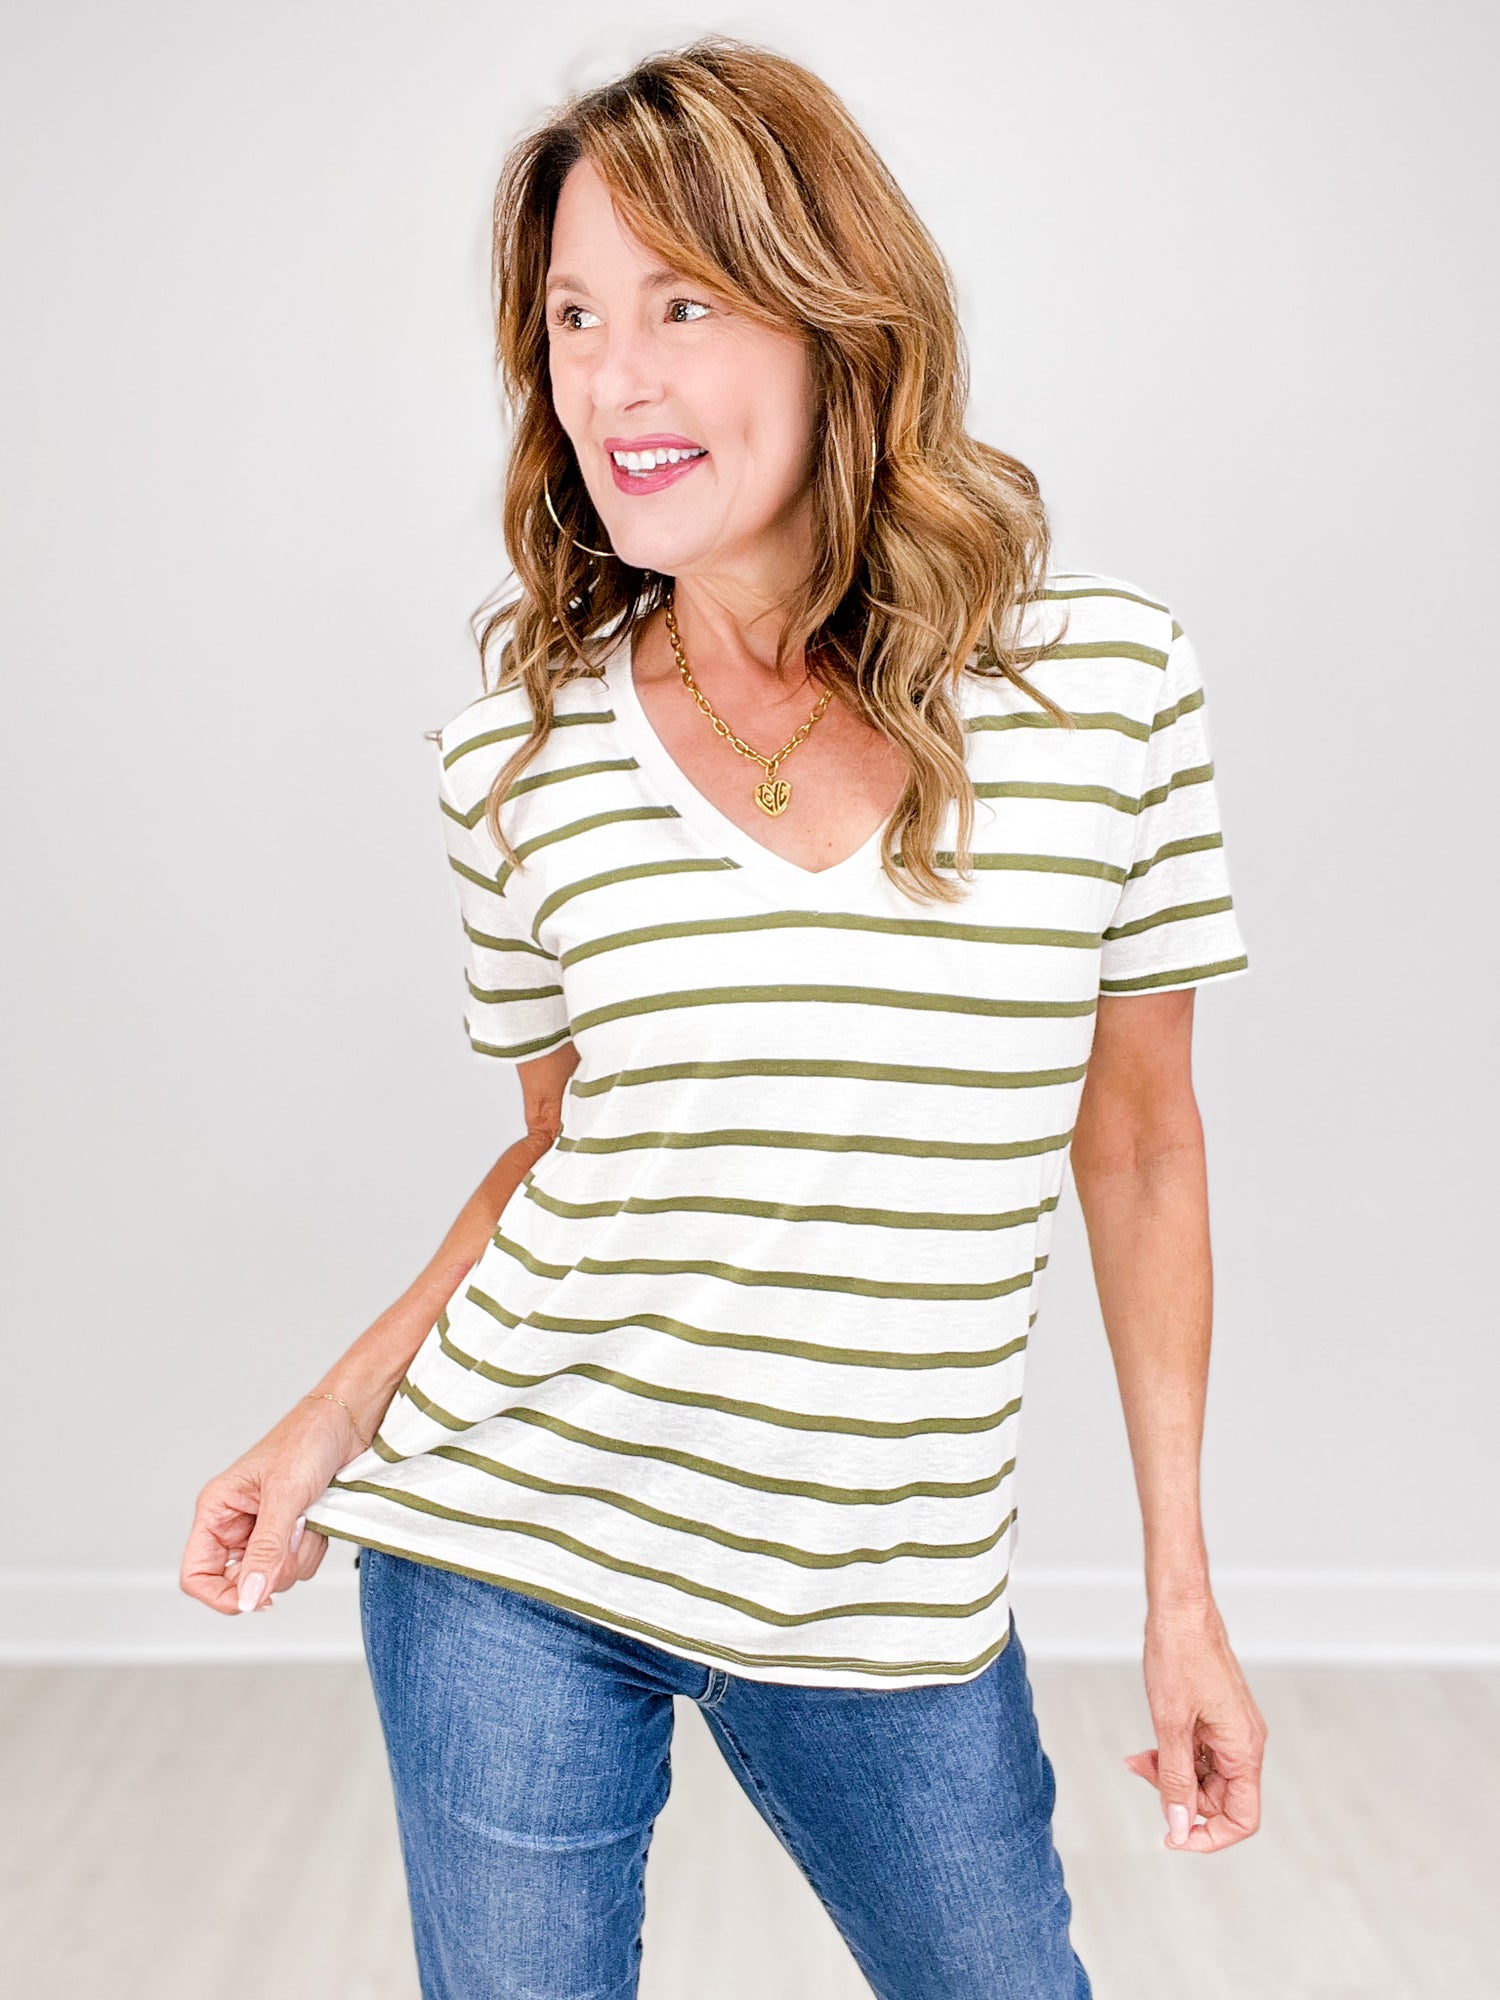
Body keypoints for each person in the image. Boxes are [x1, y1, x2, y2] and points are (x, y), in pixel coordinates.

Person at [180, 36, 1267, 1999]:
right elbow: (566, 1150)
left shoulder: (1105, 686)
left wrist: (1180, 1595)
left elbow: (1142, 1146)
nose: (614, 377)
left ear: (836, 316)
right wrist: (333, 1413)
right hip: (512, 1545)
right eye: (574, 317)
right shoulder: (518, 758)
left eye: (682, 304)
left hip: (888, 1593)